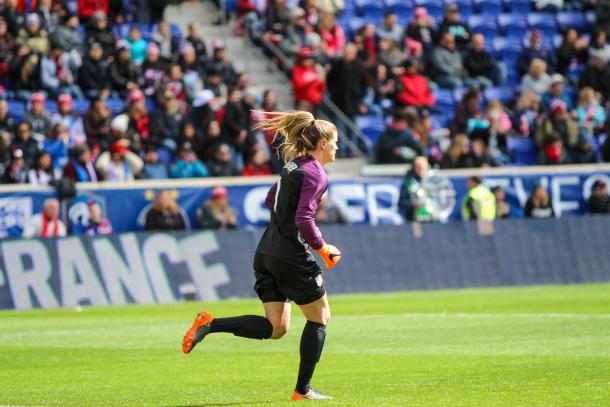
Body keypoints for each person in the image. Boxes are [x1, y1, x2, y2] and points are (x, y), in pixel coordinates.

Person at [181, 110, 341, 401]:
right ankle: (302, 391)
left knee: (276, 327)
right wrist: (323, 248)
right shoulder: (316, 173)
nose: (336, 148)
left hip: (266, 250)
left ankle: (210, 323)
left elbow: (271, 200)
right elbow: (304, 219)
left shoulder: (292, 167)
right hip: (291, 255)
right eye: (334, 142)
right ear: (321, 145)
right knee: (320, 317)